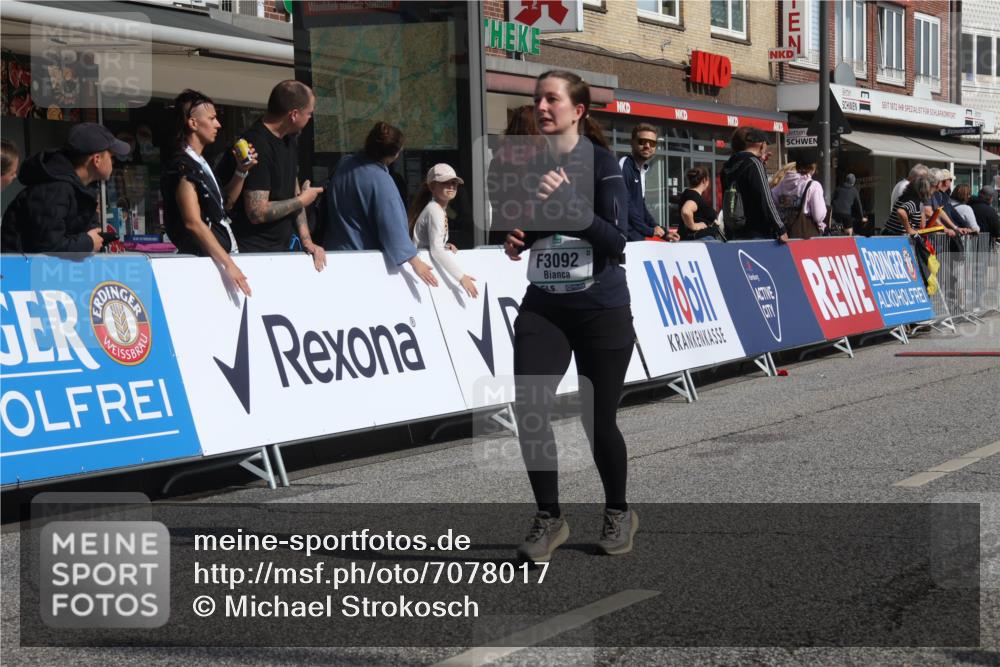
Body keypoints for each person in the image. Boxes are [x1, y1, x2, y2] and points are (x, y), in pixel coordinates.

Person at [501, 70, 635, 562]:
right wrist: (517, 239)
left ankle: (619, 511)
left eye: (552, 99)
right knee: (529, 406)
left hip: (601, 308)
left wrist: (569, 206)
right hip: (546, 305)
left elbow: (617, 241)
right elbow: (533, 228)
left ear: (577, 110)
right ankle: (549, 516)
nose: (541, 106)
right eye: (537, 98)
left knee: (596, 421)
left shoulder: (603, 165)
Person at [221, 80, 326, 271]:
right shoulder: (257, 144)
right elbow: (257, 212)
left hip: (282, 250)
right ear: (294, 114)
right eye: (309, 113)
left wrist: (307, 240)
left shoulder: (289, 139)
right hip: (253, 257)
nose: (310, 117)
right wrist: (303, 200)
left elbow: (294, 193)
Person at [162, 89, 257, 297]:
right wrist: (228, 263)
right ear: (193, 123)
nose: (218, 124)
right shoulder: (182, 165)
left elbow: (226, 205)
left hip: (219, 262)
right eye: (212, 118)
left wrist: (241, 171)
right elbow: (192, 222)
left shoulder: (200, 162)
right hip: (206, 265)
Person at [324, 121, 437, 287]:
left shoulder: (344, 164)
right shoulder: (381, 182)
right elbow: (392, 227)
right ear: (392, 156)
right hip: (363, 264)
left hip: (333, 257)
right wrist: (415, 261)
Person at [1, 123, 126, 253]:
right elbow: (49, 244)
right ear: (97, 160)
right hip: (23, 270)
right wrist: (88, 243)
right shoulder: (54, 189)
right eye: (111, 157)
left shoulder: (81, 189)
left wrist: (97, 238)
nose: (113, 162)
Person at [409, 163, 477, 298]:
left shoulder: (436, 208)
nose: (451, 186)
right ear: (432, 187)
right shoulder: (435, 210)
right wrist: (461, 277)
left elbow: (434, 245)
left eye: (454, 183)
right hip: (425, 274)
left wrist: (444, 245)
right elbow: (436, 251)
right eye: (445, 182)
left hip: (426, 273)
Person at [720, 127, 788, 242]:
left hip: (735, 232)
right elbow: (766, 198)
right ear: (760, 144)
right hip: (757, 232)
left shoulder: (727, 166)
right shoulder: (754, 164)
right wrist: (780, 228)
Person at [487, 105, 542, 245]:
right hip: (530, 230)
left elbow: (494, 197)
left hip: (501, 230)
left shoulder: (498, 158)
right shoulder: (540, 157)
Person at [618, 123, 676, 241]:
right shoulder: (625, 165)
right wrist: (648, 230)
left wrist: (662, 232)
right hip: (624, 240)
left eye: (652, 143)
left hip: (637, 239)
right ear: (632, 143)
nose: (647, 146)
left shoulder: (641, 171)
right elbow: (624, 203)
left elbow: (641, 208)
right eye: (642, 141)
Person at [771, 159, 827, 237]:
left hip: (783, 234)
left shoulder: (778, 187)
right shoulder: (813, 185)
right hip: (805, 235)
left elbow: (772, 209)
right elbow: (818, 216)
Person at [677, 166, 721, 241]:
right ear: (705, 180)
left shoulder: (689, 194)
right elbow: (686, 211)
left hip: (695, 240)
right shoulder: (694, 196)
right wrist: (693, 226)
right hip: (699, 240)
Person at [929, 168, 971, 237]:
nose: (951, 182)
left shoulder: (945, 195)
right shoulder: (936, 195)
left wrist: (960, 227)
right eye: (950, 180)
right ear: (945, 182)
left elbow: (950, 212)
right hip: (939, 234)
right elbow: (937, 213)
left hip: (945, 232)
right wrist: (949, 229)